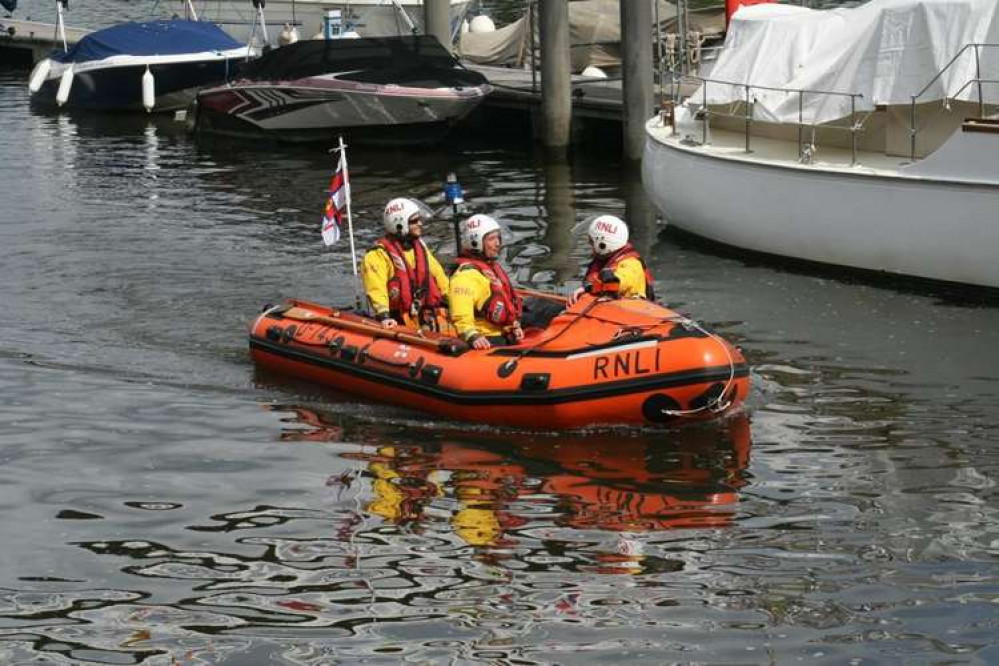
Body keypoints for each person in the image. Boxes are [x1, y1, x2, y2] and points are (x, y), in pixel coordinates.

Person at [362, 197, 449, 329]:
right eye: (414, 221)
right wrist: (384, 316)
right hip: (398, 319)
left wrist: (453, 302)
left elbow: (441, 280)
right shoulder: (377, 256)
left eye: (419, 219)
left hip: (424, 316)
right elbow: (376, 289)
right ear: (399, 224)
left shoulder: (420, 249)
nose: (420, 224)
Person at [448, 214, 525, 350]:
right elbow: (461, 317)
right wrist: (472, 335)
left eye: (498, 238)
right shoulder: (465, 277)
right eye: (491, 239)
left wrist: (512, 327)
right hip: (487, 337)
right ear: (475, 242)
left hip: (502, 331)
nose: (497, 243)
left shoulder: (490, 268)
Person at [567, 214, 655, 304]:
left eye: (592, 242)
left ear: (602, 245)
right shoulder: (606, 259)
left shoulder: (631, 265)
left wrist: (588, 287)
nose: (589, 244)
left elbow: (620, 281)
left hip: (630, 311)